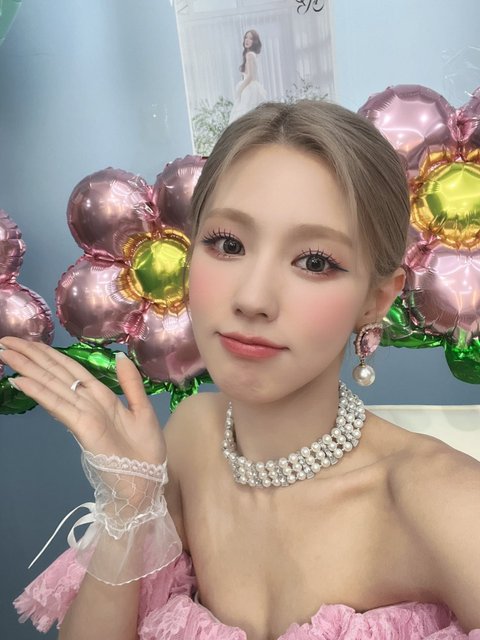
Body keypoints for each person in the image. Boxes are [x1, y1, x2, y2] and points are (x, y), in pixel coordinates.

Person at [2, 100, 480, 639]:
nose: (252, 299)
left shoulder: (446, 503)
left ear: (376, 300)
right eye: (228, 244)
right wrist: (128, 510)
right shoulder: (193, 437)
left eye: (315, 261)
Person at [228, 30, 267, 124]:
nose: (247, 40)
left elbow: (250, 76)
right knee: (251, 115)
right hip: (253, 87)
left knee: (244, 115)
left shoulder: (249, 55)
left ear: (255, 42)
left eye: (251, 38)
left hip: (249, 88)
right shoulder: (253, 55)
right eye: (246, 37)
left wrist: (240, 89)